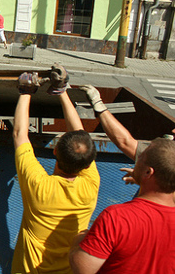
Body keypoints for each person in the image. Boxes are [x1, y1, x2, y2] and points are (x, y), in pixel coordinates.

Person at [11, 65, 100, 273]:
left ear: (55, 153)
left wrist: (26, 93)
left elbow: (18, 134)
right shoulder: (90, 185)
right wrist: (57, 92)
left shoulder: (39, 186)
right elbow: (20, 135)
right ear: (87, 164)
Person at [69, 138, 175, 274]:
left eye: (141, 157)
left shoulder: (116, 218)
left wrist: (79, 239)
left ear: (148, 172)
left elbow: (82, 268)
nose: (136, 161)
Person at [80, 84, 175, 178]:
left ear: (149, 172)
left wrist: (98, 105)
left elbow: (125, 142)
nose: (173, 130)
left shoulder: (165, 157)